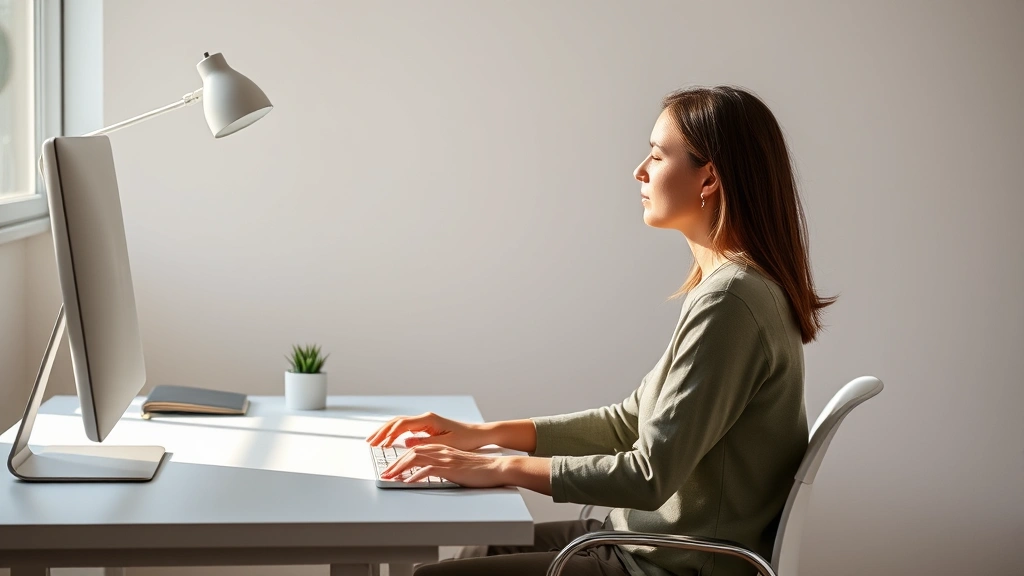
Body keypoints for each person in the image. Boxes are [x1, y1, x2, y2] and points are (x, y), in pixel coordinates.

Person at [365, 85, 834, 576]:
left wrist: (500, 467)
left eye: (656, 154)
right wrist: (484, 435)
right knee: (477, 549)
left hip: (665, 564)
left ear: (710, 177)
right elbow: (629, 422)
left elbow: (649, 474)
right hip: (642, 540)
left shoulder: (731, 301)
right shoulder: (734, 288)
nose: (640, 171)